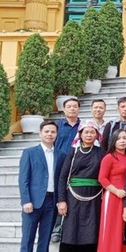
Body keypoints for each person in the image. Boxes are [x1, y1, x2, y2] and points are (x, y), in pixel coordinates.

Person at [56, 120, 107, 252]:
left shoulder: (101, 153)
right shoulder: (73, 152)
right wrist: (61, 200)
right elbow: (64, 176)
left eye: (92, 132)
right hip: (73, 197)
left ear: (97, 135)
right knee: (71, 233)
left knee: (89, 233)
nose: (89, 135)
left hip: (93, 198)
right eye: (86, 132)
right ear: (80, 134)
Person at [17, 121, 67, 252]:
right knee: (28, 239)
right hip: (32, 202)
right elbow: (23, 179)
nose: (50, 134)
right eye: (46, 131)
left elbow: (61, 180)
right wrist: (26, 200)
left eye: (53, 132)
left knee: (45, 239)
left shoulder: (61, 155)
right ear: (40, 133)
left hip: (51, 202)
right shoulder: (30, 153)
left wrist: (61, 200)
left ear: (56, 134)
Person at [94, 129, 126, 252]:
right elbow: (102, 179)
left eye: (125, 138)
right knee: (110, 234)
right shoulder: (109, 158)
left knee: (123, 234)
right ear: (114, 141)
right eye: (119, 138)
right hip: (112, 198)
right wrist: (116, 191)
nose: (123, 141)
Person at [51, 98, 81, 243]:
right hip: (59, 164)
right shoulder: (57, 126)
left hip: (77, 166)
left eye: (75, 106)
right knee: (59, 195)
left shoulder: (83, 126)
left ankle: (69, 228)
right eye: (69, 106)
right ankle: (56, 229)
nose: (72, 109)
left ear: (79, 109)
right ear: (64, 110)